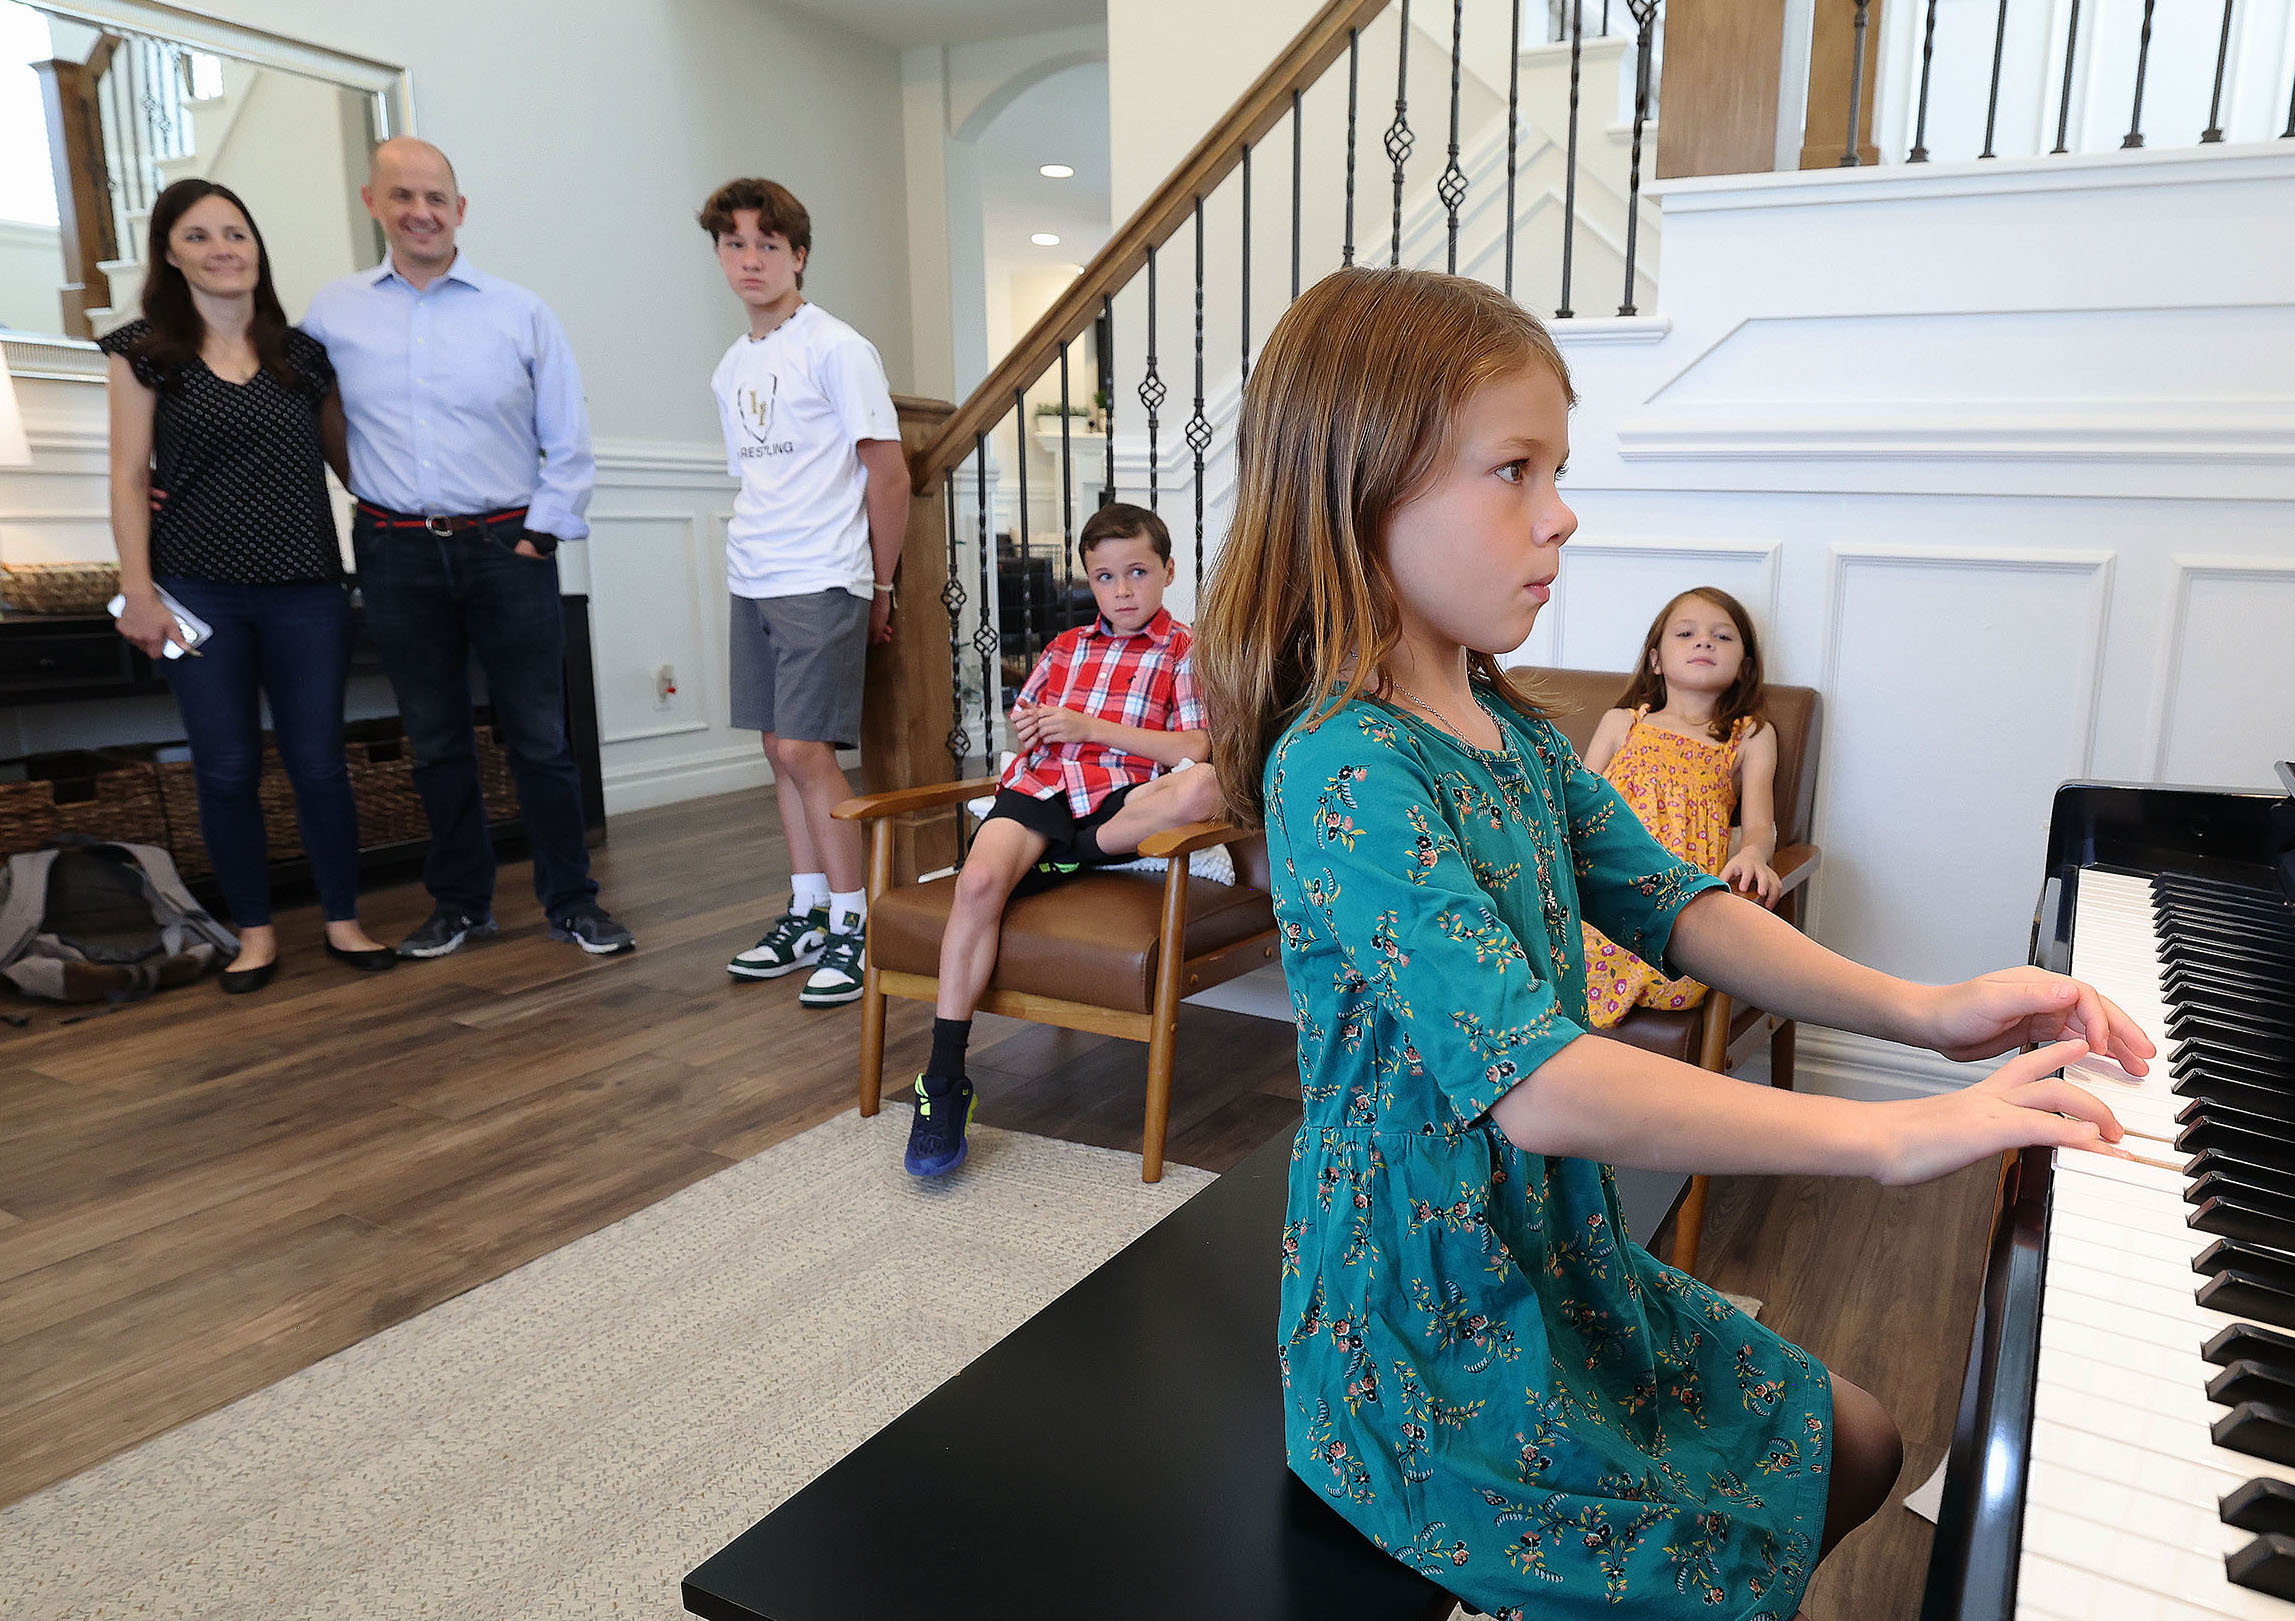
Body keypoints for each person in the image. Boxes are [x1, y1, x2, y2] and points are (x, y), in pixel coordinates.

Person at [1194, 267, 2150, 1620]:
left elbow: (1682, 907)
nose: (1560, 512)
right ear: (1358, 484)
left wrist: (1931, 1014)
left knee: (1858, 1441)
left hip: (1544, 1252)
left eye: (1557, 469)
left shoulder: (1512, 733)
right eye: (1513, 470)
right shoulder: (1343, 769)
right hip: (1421, 1323)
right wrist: (1888, 1137)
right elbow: (1541, 1085)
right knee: (1734, 1544)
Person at [302, 138, 633, 959]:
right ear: (372, 202)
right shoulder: (331, 314)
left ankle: (572, 902)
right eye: (402, 195)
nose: (421, 211)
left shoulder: (518, 311)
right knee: (436, 740)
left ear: (460, 208)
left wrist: (537, 536)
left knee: (540, 738)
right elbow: (297, 412)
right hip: (394, 551)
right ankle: (460, 905)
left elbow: (569, 438)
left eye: (436, 197)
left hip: (504, 545)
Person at [106, 179, 397, 994]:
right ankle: (256, 933)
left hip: (306, 588)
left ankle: (343, 919)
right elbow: (129, 477)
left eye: (235, 233)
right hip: (198, 593)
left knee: (320, 764)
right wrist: (138, 590)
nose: (222, 249)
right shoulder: (141, 352)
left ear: (257, 248)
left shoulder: (301, 354)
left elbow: (352, 465)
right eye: (198, 236)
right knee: (226, 769)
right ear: (169, 252)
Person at [905, 503, 1223, 1179]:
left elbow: (1194, 746)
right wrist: (1035, 730)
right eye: (1105, 577)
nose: (1123, 589)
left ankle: (1059, 858)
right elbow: (1030, 733)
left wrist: (1091, 728)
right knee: (979, 881)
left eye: (1137, 572)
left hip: (1117, 803)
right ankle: (942, 1078)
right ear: (1089, 580)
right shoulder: (1064, 649)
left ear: (1167, 570)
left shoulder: (1186, 651)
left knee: (1204, 786)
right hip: (1043, 795)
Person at [697, 177, 909, 1007]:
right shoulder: (730, 366)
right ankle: (809, 909)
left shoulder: (836, 347)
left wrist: (880, 583)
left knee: (804, 749)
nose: (750, 260)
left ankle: (857, 924)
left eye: (768, 245)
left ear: (799, 254)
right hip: (753, 570)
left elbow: (886, 473)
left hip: (823, 571)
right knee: (771, 747)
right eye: (735, 244)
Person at [1579, 587, 1780, 1029]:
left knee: (1675, 973)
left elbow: (1760, 826)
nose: (1704, 642)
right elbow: (1574, 804)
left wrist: (1751, 854)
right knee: (1546, 947)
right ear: (1655, 659)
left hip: (1675, 903)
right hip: (1599, 888)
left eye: (1723, 637)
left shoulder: (1750, 736)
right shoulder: (1622, 723)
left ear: (1745, 667)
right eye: (1686, 633)